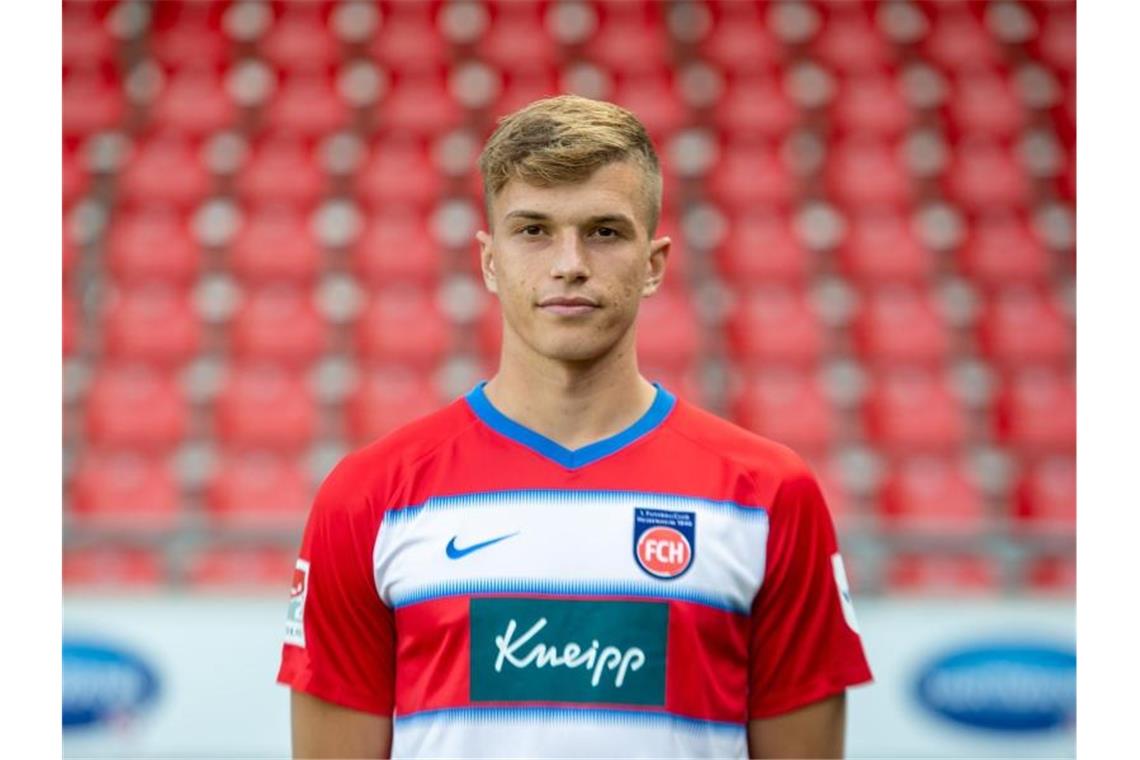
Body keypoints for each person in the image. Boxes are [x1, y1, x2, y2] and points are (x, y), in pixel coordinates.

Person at [277, 94, 872, 759]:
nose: (569, 263)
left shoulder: (768, 495)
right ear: (489, 259)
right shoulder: (369, 497)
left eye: (605, 231)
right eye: (533, 230)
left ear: (654, 263)